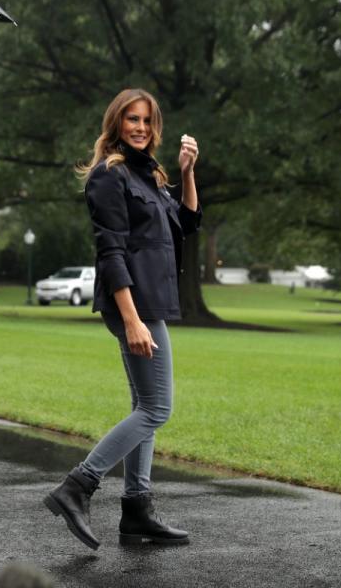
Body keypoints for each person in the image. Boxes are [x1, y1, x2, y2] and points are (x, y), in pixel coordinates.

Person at [44, 88, 201, 550]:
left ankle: (136, 512)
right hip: (133, 305)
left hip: (150, 303)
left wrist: (187, 173)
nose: (140, 127)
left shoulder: (149, 174)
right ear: (117, 123)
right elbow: (110, 252)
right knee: (156, 408)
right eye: (132, 119)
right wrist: (131, 320)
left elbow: (187, 225)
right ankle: (78, 486)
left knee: (146, 408)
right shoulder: (107, 177)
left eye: (147, 121)